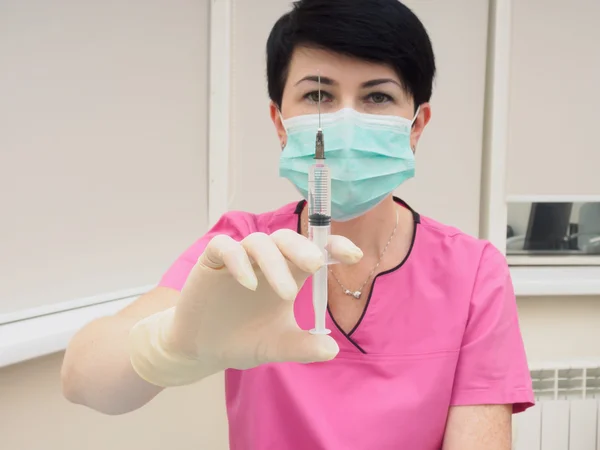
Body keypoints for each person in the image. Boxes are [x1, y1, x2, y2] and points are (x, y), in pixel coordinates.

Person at [61, 1, 534, 448]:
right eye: (319, 94)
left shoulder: (472, 273)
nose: (344, 123)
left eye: (377, 96)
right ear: (280, 122)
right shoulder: (243, 251)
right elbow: (82, 376)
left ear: (416, 126)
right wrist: (172, 346)